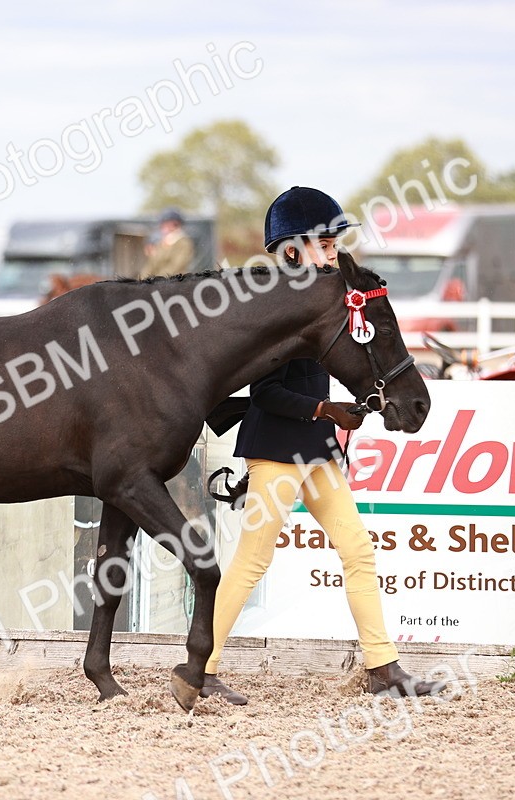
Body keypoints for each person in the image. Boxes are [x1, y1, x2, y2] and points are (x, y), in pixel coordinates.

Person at [201, 186, 446, 705]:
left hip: (317, 452)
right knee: (251, 562)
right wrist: (323, 410)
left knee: (357, 550)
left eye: (336, 244)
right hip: (277, 450)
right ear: (293, 250)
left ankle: (383, 669)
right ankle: (200, 667)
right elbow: (265, 392)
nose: (334, 252)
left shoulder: (323, 304)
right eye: (325, 244)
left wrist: (352, 404)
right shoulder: (275, 308)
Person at [139, 208, 195, 278]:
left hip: (175, 281)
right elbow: (151, 266)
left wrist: (157, 279)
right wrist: (142, 279)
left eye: (168, 224)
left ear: (176, 224)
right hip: (157, 281)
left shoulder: (184, 243)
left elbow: (175, 266)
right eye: (163, 224)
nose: (164, 227)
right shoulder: (161, 242)